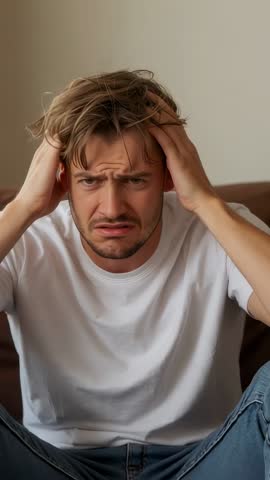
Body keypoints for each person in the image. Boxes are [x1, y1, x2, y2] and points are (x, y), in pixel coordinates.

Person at [1, 69, 270, 480]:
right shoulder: (29, 235)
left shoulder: (219, 227)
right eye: (89, 181)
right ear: (62, 179)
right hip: (59, 466)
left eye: (134, 180)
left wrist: (204, 199)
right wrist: (22, 207)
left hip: (201, 462)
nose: (112, 207)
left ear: (167, 174)